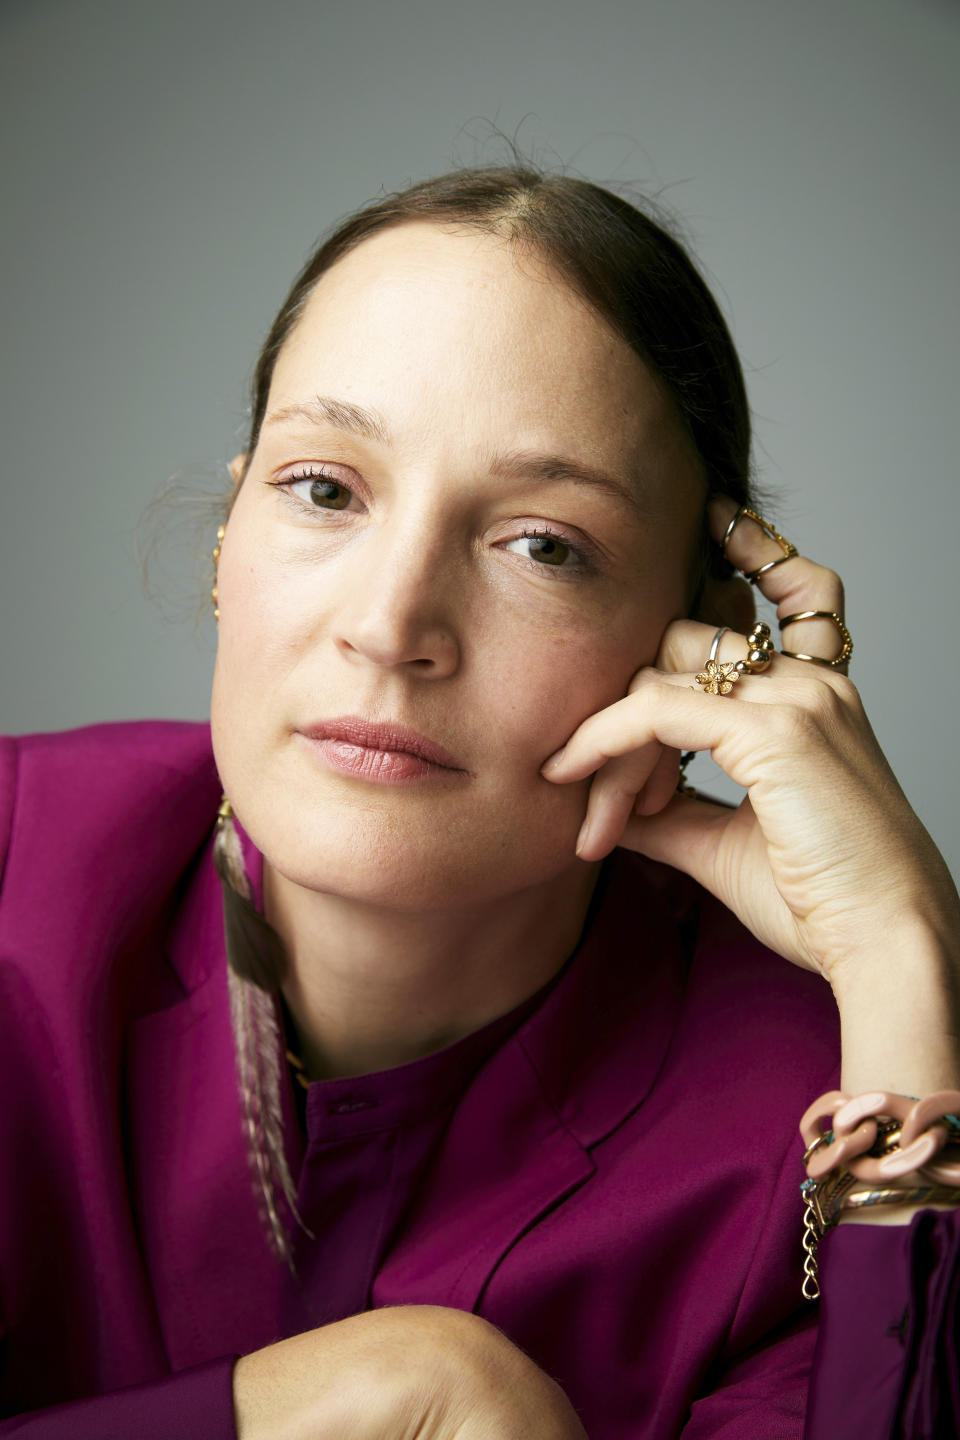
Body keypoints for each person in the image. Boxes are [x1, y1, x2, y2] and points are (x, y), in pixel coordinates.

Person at [2, 164, 959, 1439]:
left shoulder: (807, 1119)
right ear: (229, 542)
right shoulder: (17, 868)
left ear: (702, 644)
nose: (391, 625)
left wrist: (901, 959)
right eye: (324, 488)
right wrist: (359, 1397)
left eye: (542, 547)